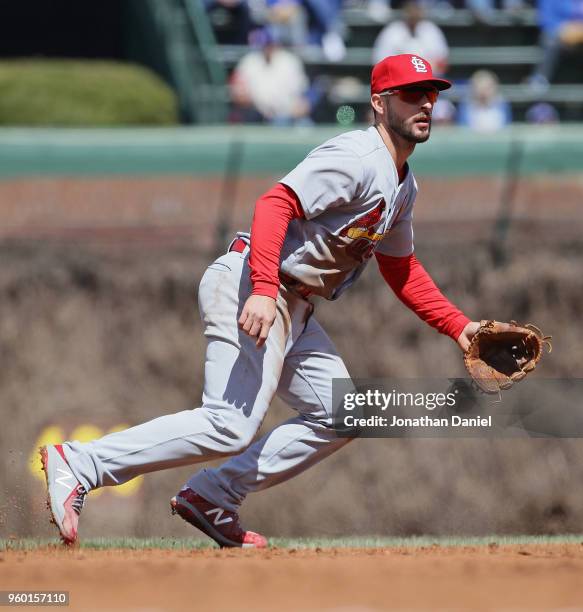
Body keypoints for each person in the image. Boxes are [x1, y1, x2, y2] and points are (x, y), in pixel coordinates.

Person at [40, 53, 480, 548]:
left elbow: (401, 268)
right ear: (379, 103)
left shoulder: (403, 184)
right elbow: (275, 203)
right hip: (254, 281)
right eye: (411, 94)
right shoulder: (358, 158)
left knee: (345, 414)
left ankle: (212, 496)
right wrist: (265, 291)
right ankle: (82, 462)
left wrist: (461, 329)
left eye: (431, 93)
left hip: (293, 304)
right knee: (229, 425)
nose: (425, 103)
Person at [229, 28, 312, 125]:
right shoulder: (249, 61)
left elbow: (303, 94)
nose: (267, 48)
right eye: (264, 45)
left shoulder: (290, 61)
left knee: (304, 125)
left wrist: (301, 106)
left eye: (269, 44)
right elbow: (238, 91)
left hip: (287, 115)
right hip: (256, 114)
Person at [372, 1, 449, 76]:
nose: (413, 14)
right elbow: (379, 63)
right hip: (398, 81)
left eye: (416, 10)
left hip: (427, 81)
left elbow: (442, 63)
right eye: (410, 11)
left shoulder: (431, 29)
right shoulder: (392, 30)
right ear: (404, 12)